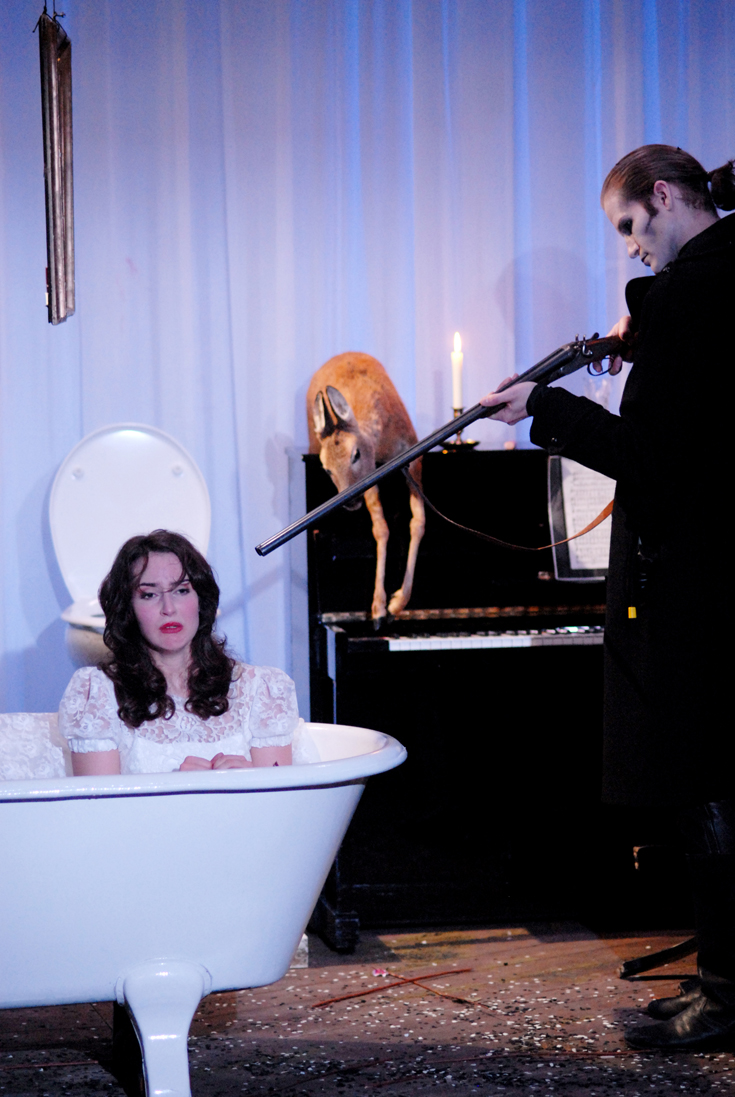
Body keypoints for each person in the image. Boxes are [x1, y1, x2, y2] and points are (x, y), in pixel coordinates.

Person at [481, 145, 735, 1051]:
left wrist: (543, 408)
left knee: (707, 793)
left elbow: (648, 459)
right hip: (719, 580)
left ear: (663, 196)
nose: (630, 247)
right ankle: (719, 977)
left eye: (629, 225)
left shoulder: (687, 296)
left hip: (696, 590)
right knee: (716, 790)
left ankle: (726, 994)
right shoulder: (713, 286)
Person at [59, 529, 298, 775]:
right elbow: (99, 799)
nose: (168, 608)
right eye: (149, 594)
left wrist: (251, 780)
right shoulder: (98, 693)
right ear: (128, 609)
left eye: (181, 590)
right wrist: (178, 788)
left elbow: (281, 795)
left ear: (201, 599)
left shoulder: (260, 689)